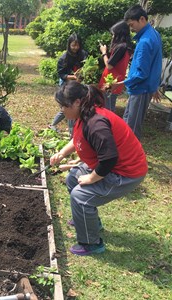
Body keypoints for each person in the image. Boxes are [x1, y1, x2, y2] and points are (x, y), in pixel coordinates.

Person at [50, 81, 147, 256]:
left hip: (126, 173)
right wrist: (62, 153)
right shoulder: (85, 114)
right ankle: (91, 222)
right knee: (73, 177)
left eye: (64, 106)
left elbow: (109, 159)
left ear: (78, 102)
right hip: (112, 166)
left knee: (80, 196)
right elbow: (78, 138)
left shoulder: (96, 123)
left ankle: (91, 243)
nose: (62, 110)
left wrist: (92, 178)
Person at [114, 5, 162, 139]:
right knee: (128, 121)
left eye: (131, 25)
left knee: (132, 127)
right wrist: (155, 85)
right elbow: (155, 64)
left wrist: (121, 83)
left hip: (140, 89)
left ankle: (132, 157)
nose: (131, 29)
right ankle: (125, 152)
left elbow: (141, 73)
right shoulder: (154, 34)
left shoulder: (145, 42)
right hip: (144, 87)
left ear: (142, 19)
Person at [49, 33, 87, 133]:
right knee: (68, 107)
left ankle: (75, 130)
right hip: (66, 84)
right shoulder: (63, 58)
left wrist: (80, 77)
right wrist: (74, 77)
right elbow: (61, 74)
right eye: (73, 45)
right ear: (69, 45)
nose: (75, 47)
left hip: (78, 84)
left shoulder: (83, 54)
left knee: (76, 107)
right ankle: (71, 133)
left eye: (77, 45)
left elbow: (86, 68)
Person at [98, 21, 133, 112]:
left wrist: (104, 52)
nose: (112, 37)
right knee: (110, 105)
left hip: (110, 81)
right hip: (117, 80)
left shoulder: (121, 47)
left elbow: (109, 65)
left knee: (107, 108)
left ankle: (108, 125)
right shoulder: (127, 47)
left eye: (114, 34)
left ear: (119, 35)